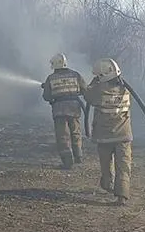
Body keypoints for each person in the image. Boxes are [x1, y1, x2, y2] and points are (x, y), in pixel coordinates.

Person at [83, 58, 132, 206]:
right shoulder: (127, 90)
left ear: (101, 76)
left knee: (106, 163)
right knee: (123, 165)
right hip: (123, 135)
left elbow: (87, 96)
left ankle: (107, 184)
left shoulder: (99, 90)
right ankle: (122, 196)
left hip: (104, 136)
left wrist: (94, 82)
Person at [41, 53, 86, 169]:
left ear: (54, 65)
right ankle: (78, 157)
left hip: (59, 111)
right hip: (74, 109)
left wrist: (51, 92)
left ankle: (67, 162)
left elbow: (46, 96)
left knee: (63, 136)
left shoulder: (51, 78)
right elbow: (85, 90)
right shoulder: (76, 75)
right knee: (76, 133)